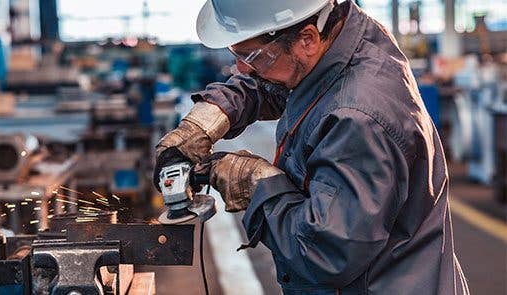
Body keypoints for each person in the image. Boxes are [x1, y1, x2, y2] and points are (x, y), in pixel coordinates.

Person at [154, 0, 470, 294]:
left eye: (250, 56)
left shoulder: (358, 118)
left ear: (307, 38)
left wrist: (255, 184)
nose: (242, 69)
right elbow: (267, 83)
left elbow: (324, 252)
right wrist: (205, 122)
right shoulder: (339, 35)